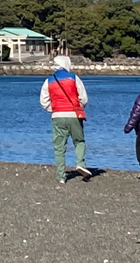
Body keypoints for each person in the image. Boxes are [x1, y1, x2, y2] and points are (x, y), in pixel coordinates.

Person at [39, 54, 93, 184]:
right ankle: (80, 163)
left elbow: (43, 101)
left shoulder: (49, 80)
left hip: (57, 116)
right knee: (79, 141)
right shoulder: (74, 78)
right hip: (74, 114)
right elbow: (84, 98)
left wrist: (54, 109)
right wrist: (78, 107)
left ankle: (61, 176)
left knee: (59, 147)